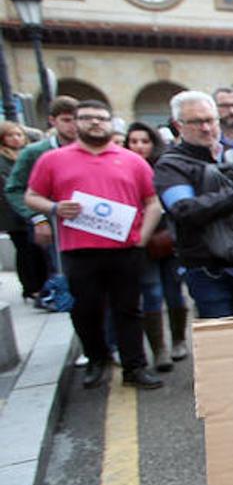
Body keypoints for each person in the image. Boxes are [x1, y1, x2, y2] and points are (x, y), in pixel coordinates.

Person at [24, 100, 162, 389]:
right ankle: (97, 359)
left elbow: (152, 203)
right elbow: (32, 196)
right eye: (87, 118)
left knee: (128, 310)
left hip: (125, 250)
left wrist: (142, 239)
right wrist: (55, 208)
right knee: (86, 309)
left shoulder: (131, 160)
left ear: (111, 122)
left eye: (101, 118)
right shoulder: (53, 160)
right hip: (79, 250)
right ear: (75, 123)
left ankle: (134, 366)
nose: (95, 123)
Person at [154, 90, 233, 319]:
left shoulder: (230, 156)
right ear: (179, 126)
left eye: (209, 120)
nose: (206, 128)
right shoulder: (171, 166)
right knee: (223, 344)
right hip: (208, 270)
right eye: (196, 122)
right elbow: (185, 210)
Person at [125, 122, 186, 369]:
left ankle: (179, 340)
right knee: (151, 292)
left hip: (168, 239)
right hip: (139, 241)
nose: (140, 146)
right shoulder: (123, 168)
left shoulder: (165, 167)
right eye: (134, 141)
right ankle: (159, 349)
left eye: (145, 141)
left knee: (174, 292)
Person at [6, 95, 78, 264]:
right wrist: (37, 217)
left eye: (77, 119)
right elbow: (14, 189)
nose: (73, 125)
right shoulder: (35, 152)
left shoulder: (92, 149)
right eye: (66, 120)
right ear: (53, 121)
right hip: (53, 226)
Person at [0, 120, 47, 302]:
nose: (16, 138)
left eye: (19, 134)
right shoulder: (3, 160)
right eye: (11, 135)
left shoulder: (29, 154)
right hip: (13, 214)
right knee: (25, 249)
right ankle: (30, 287)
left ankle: (41, 283)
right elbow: (9, 188)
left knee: (37, 249)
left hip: (33, 208)